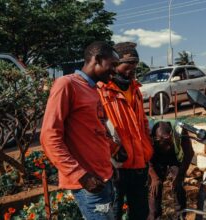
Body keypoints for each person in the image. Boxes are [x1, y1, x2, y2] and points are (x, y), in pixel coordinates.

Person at [40, 41, 119, 219]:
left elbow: (94, 130)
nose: (115, 70)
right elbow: (49, 136)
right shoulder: (66, 84)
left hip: (103, 179)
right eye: (112, 65)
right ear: (97, 60)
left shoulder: (93, 89)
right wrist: (81, 176)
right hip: (89, 184)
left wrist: (114, 152)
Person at [97, 42, 153, 220]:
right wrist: (113, 151)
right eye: (127, 67)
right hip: (116, 168)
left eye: (134, 67)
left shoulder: (135, 90)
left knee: (140, 213)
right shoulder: (101, 91)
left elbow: (142, 123)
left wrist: (147, 150)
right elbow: (96, 129)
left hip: (138, 166)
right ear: (114, 65)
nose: (131, 72)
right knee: (113, 214)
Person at [148, 121, 194, 220]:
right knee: (155, 187)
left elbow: (189, 154)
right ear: (156, 139)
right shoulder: (148, 133)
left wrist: (180, 176)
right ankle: (154, 216)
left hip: (174, 157)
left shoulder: (180, 130)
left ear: (170, 135)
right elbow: (144, 157)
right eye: (163, 144)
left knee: (178, 186)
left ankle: (180, 215)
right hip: (156, 157)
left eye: (168, 143)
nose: (166, 147)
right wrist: (153, 176)